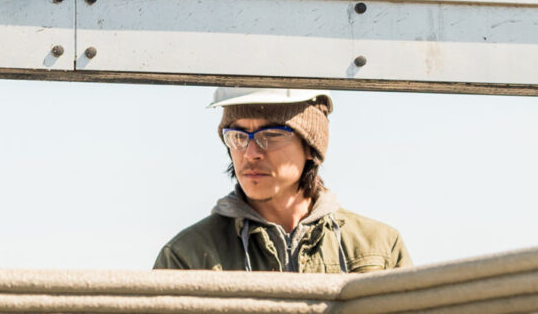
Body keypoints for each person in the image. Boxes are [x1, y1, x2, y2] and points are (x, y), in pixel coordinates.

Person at [154, 88, 411, 273]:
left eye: (271, 135)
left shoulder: (380, 249)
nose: (250, 152)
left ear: (311, 146)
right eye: (237, 136)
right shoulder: (187, 257)